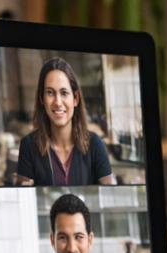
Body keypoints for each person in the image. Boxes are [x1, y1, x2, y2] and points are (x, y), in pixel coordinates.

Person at [11, 58, 116, 186]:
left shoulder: (95, 145)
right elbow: (24, 200)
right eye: (50, 93)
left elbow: (109, 196)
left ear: (75, 98)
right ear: (42, 99)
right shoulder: (28, 146)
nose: (58, 102)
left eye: (64, 93)